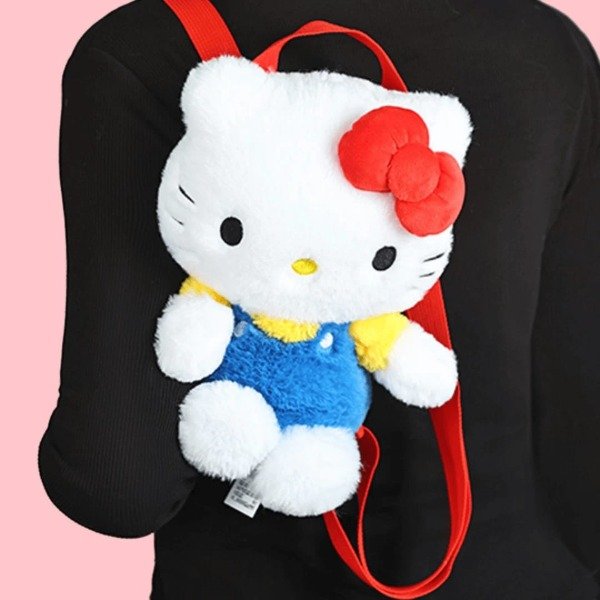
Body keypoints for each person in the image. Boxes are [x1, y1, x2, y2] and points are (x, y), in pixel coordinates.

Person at [38, 0, 600, 598]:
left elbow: (116, 484)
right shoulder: (548, 48)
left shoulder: (145, 45)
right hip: (518, 573)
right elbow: (579, 394)